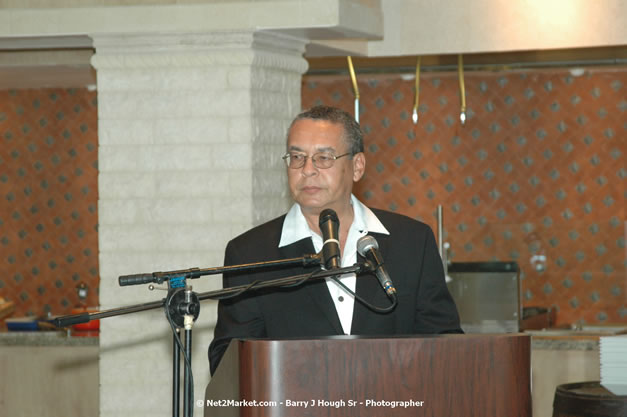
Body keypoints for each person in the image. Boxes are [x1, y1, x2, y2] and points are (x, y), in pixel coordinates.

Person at [208, 105, 462, 375]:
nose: (307, 170)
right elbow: (230, 364)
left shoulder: (412, 242)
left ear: (357, 166)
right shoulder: (251, 253)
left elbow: (446, 346)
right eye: (297, 157)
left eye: (324, 158)